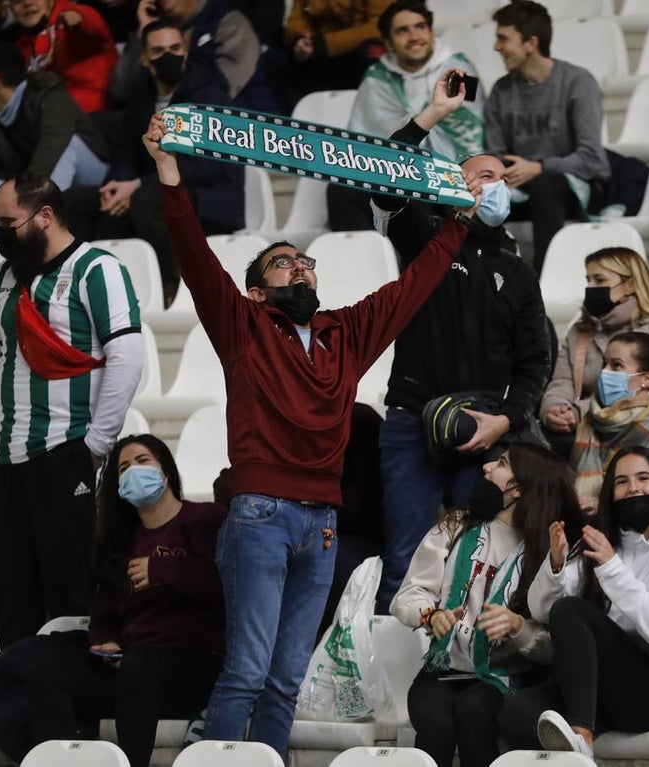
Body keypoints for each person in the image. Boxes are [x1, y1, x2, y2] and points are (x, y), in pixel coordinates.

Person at [144, 71, 478, 761]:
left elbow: (412, 286)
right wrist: (170, 175)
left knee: (286, 680)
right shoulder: (239, 324)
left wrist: (460, 222)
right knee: (245, 669)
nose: (301, 269)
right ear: (257, 286)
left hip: (321, 525)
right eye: (284, 264)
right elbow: (191, 249)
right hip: (261, 515)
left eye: (306, 263)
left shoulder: (346, 333)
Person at [369, 70, 551, 613]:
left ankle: (462, 674)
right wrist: (434, 114)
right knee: (404, 557)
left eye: (498, 179)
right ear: (448, 186)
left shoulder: (517, 271)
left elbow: (535, 361)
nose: (489, 186)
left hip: (486, 430)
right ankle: (390, 685)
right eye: (476, 177)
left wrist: (507, 421)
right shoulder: (424, 236)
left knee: (479, 556)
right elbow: (386, 173)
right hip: (409, 422)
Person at [0, 173, 143, 646]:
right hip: (3, 460)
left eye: (8, 222)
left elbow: (127, 356)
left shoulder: (96, 269)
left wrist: (97, 444)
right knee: (10, 589)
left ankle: (72, 713)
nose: (0, 232)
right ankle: (17, 709)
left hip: (65, 450)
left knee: (71, 589)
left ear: (45, 216)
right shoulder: (5, 274)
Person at [27, 434, 226, 767]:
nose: (133, 470)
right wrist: (105, 643)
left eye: (143, 461)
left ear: (166, 471)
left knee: (140, 665)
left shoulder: (206, 520)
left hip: (194, 664)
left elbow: (221, 584)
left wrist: (162, 569)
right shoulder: (119, 542)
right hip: (135, 671)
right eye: (123, 467)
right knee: (47, 669)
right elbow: (104, 616)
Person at [498, 447, 649, 759]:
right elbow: (541, 609)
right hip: (603, 691)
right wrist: (554, 565)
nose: (633, 488)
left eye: (643, 478)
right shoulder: (597, 542)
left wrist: (610, 566)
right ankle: (582, 742)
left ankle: (582, 738)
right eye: (621, 482)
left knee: (572, 610)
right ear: (610, 494)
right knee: (516, 713)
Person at [391, 443, 577, 767]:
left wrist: (518, 627)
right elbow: (409, 593)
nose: (486, 467)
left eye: (501, 463)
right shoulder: (456, 525)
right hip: (440, 674)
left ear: (518, 489)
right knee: (436, 722)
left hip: (501, 679)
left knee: (474, 712)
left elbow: (552, 646)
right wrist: (431, 614)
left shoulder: (545, 553)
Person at [65, 19, 243, 304]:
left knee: (147, 200)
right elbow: (126, 153)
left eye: (175, 48)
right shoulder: (141, 94)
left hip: (212, 198)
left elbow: (209, 169)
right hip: (156, 190)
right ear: (145, 59)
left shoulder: (211, 95)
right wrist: (116, 185)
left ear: (185, 50)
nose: (169, 56)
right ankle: (91, 289)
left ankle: (170, 285)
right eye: (159, 51)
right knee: (86, 201)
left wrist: (135, 185)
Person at [329, 0, 484, 231]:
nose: (414, 36)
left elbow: (472, 129)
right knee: (341, 189)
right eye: (402, 31)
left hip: (453, 174)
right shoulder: (376, 78)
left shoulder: (460, 71)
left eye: (420, 27)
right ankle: (366, 261)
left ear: (431, 32)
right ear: (388, 42)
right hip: (395, 174)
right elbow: (365, 147)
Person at [485, 0, 610, 274]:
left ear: (531, 43)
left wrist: (540, 167)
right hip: (517, 186)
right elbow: (494, 153)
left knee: (546, 184)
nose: (496, 47)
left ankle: (544, 282)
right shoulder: (501, 91)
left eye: (503, 39)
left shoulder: (578, 82)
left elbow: (592, 159)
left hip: (569, 187)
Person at [540, 246, 649, 458]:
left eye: (599, 280)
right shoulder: (582, 329)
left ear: (630, 284)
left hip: (634, 429)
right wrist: (555, 409)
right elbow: (561, 381)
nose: (590, 287)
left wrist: (580, 412)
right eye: (588, 280)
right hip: (581, 428)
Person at [0, 43, 111, 244]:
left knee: (68, 146)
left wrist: (25, 193)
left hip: (93, 172)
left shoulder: (48, 92)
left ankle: (41, 247)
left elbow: (53, 142)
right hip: (32, 188)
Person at [571, 331, 649, 513]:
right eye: (604, 364)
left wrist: (605, 508)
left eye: (616, 365)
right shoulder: (592, 420)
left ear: (647, 379)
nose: (604, 372)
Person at [111, 0, 270, 110]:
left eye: (175, 48)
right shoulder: (159, 32)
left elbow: (218, 95)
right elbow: (120, 90)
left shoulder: (229, 23)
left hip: (240, 135)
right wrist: (144, 33)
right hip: (166, 132)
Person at [12, 0, 118, 113]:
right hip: (55, 115)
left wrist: (77, 18)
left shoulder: (70, 16)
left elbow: (91, 25)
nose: (27, 3)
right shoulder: (21, 43)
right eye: (17, 1)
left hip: (93, 113)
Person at [284, 0, 393, 95]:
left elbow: (380, 25)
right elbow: (298, 15)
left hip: (353, 48)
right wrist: (300, 39)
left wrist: (324, 44)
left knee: (370, 53)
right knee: (275, 59)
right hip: (314, 47)